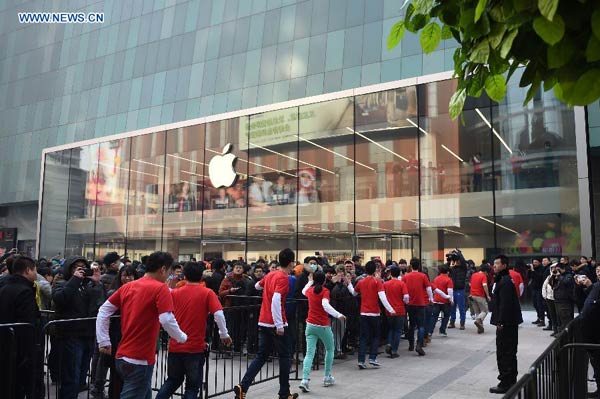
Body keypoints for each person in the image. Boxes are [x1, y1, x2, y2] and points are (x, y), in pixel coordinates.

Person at [96, 251, 188, 399]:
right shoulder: (160, 288)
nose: (169, 275)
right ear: (163, 269)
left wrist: (104, 340)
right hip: (140, 359)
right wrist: (182, 337)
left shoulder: (128, 286)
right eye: (169, 271)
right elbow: (166, 319)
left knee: (144, 393)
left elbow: (104, 311)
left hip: (122, 355)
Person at [156, 261, 231, 399]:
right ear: (201, 275)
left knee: (172, 381)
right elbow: (219, 314)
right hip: (195, 347)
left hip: (175, 346)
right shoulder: (207, 293)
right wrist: (223, 334)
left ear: (185, 275)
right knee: (192, 387)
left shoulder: (175, 293)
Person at [234, 248, 299, 399]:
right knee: (285, 357)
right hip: (276, 322)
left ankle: (243, 387)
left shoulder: (270, 274)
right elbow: (276, 300)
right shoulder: (282, 277)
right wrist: (279, 324)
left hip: (263, 320)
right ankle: (284, 393)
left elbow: (257, 286)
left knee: (261, 356)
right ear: (291, 263)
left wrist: (267, 288)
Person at [52, 256, 105, 399]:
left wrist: (97, 284)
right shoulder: (62, 283)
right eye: (77, 267)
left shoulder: (89, 285)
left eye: (83, 267)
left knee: (81, 376)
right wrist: (75, 280)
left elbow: (98, 306)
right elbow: (60, 299)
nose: (80, 270)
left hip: (88, 334)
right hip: (71, 335)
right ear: (69, 269)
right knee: (72, 377)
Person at [0, 256, 41, 399]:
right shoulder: (25, 292)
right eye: (35, 270)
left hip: (6, 345)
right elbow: (28, 325)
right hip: (19, 350)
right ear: (28, 271)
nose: (36, 273)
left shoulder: (5, 287)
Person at [298, 271, 346, 393]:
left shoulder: (309, 290)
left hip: (310, 325)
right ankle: (327, 376)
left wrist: (309, 282)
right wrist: (338, 314)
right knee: (330, 349)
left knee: (309, 353)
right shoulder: (325, 291)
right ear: (324, 280)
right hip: (323, 325)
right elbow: (325, 305)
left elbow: (303, 291)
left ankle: (304, 379)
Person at [348, 260, 396, 368]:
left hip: (364, 312)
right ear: (375, 270)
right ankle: (372, 358)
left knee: (364, 336)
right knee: (375, 336)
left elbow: (354, 293)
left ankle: (361, 360)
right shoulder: (377, 281)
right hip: (374, 313)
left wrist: (349, 283)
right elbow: (382, 298)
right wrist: (391, 310)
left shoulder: (361, 282)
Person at [489, 255, 523, 394]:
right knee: (507, 352)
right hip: (507, 322)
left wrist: (501, 322)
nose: (494, 266)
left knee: (505, 353)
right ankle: (509, 381)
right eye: (494, 263)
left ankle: (506, 382)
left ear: (504, 265)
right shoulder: (502, 279)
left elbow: (505, 304)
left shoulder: (505, 281)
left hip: (507, 324)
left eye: (497, 263)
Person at [403, 258, 433, 356]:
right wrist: (431, 299)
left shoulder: (406, 276)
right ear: (419, 266)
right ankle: (419, 345)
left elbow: (402, 288)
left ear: (411, 266)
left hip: (410, 304)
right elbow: (428, 288)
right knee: (421, 326)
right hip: (420, 303)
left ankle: (411, 344)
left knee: (411, 324)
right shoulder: (423, 276)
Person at [383, 266, 409, 358]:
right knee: (398, 330)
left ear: (390, 273)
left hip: (389, 310)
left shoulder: (386, 284)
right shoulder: (402, 284)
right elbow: (406, 297)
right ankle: (394, 350)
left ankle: (389, 343)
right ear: (399, 274)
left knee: (391, 329)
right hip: (400, 310)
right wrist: (405, 302)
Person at [430, 264, 454, 336]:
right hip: (445, 301)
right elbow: (450, 291)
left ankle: (430, 331)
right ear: (448, 272)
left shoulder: (436, 278)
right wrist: (451, 300)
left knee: (434, 317)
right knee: (446, 316)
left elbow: (434, 290)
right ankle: (442, 330)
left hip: (436, 300)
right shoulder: (448, 280)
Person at [552, 260, 575, 333]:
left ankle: (568, 336)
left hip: (565, 301)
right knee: (560, 319)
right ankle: (561, 334)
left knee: (566, 319)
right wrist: (554, 276)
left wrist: (559, 276)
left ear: (563, 268)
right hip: (558, 300)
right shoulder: (558, 276)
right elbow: (552, 285)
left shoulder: (569, 275)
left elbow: (566, 282)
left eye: (558, 269)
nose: (557, 271)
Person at [448, 249, 467, 330]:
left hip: (460, 290)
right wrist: (450, 257)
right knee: (452, 307)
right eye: (457, 260)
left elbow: (462, 261)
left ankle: (462, 324)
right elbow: (446, 266)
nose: (458, 261)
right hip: (453, 290)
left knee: (461, 308)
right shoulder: (452, 269)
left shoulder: (463, 268)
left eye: (458, 260)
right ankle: (452, 322)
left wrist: (459, 253)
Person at [470, 264, 491, 334]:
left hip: (472, 296)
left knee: (478, 313)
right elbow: (484, 286)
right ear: (485, 271)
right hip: (479, 296)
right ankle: (478, 320)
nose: (487, 274)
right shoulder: (483, 276)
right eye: (487, 272)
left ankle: (480, 329)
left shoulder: (473, 275)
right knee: (485, 310)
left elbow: (470, 284)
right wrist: (488, 295)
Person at [541, 264, 559, 336]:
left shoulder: (560, 277)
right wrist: (545, 296)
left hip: (557, 299)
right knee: (552, 315)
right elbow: (544, 286)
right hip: (549, 299)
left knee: (558, 315)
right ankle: (555, 330)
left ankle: (559, 330)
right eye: (552, 268)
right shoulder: (549, 277)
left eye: (555, 268)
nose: (553, 269)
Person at [528, 258, 547, 326]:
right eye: (533, 262)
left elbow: (539, 278)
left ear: (539, 263)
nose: (534, 264)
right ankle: (539, 318)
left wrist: (533, 270)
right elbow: (530, 277)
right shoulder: (533, 269)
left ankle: (542, 320)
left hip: (539, 289)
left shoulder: (542, 269)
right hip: (534, 288)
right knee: (535, 304)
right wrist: (529, 270)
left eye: (536, 262)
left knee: (540, 305)